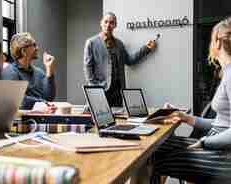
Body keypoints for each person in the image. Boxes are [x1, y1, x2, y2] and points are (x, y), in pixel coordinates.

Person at [151, 17, 231, 184]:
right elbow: (222, 124)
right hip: (218, 143)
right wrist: (186, 118)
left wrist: (204, 143)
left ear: (217, 42)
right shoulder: (227, 72)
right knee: (156, 148)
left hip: (224, 155)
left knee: (153, 156)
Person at [83, 12, 157, 107]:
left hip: (118, 91)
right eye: (106, 22)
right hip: (101, 91)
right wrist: (95, 88)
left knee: (117, 119)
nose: (108, 25)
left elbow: (130, 61)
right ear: (101, 23)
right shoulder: (91, 43)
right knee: (101, 119)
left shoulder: (119, 44)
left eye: (111, 22)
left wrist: (146, 48)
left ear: (115, 25)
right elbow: (87, 68)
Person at [1, 32, 56, 109]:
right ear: (23, 51)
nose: (37, 48)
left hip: (41, 117)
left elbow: (49, 97)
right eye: (34, 45)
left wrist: (50, 70)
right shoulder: (9, 72)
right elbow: (19, 100)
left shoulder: (39, 72)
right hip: (23, 120)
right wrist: (43, 103)